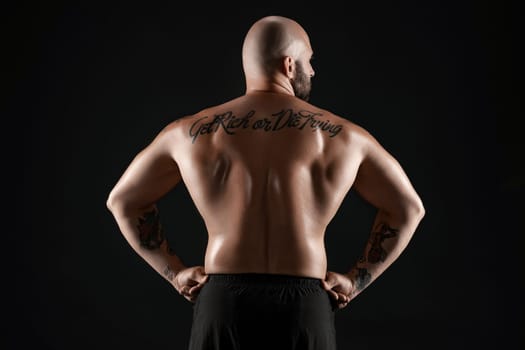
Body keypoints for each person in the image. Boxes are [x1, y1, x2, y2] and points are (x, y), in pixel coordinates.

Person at [106, 15, 425, 350]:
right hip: (304, 306)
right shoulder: (344, 136)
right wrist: (354, 282)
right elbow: (408, 208)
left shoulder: (190, 132)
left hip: (223, 302)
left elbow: (123, 200)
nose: (313, 71)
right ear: (290, 64)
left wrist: (175, 273)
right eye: (309, 61)